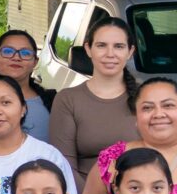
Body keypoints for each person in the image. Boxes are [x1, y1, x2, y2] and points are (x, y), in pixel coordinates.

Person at [50, 18, 139, 185]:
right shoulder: (68, 99)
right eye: (101, 45)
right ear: (88, 49)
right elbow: (64, 166)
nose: (110, 54)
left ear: (130, 51)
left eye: (119, 46)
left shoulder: (146, 98)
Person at [0, 32, 53, 141]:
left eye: (25, 53)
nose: (16, 58)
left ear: (35, 62)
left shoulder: (52, 102)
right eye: (8, 51)